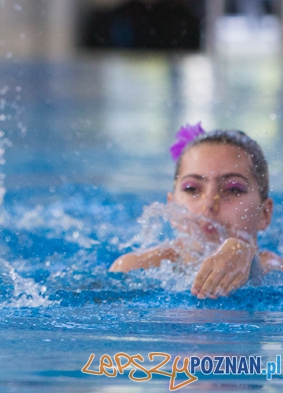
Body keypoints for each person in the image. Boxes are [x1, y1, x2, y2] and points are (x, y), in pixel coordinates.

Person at [110, 124, 283, 299]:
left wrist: (246, 256)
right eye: (192, 189)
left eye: (233, 189)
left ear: (265, 214)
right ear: (172, 205)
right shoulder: (134, 268)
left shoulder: (274, 269)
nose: (208, 204)